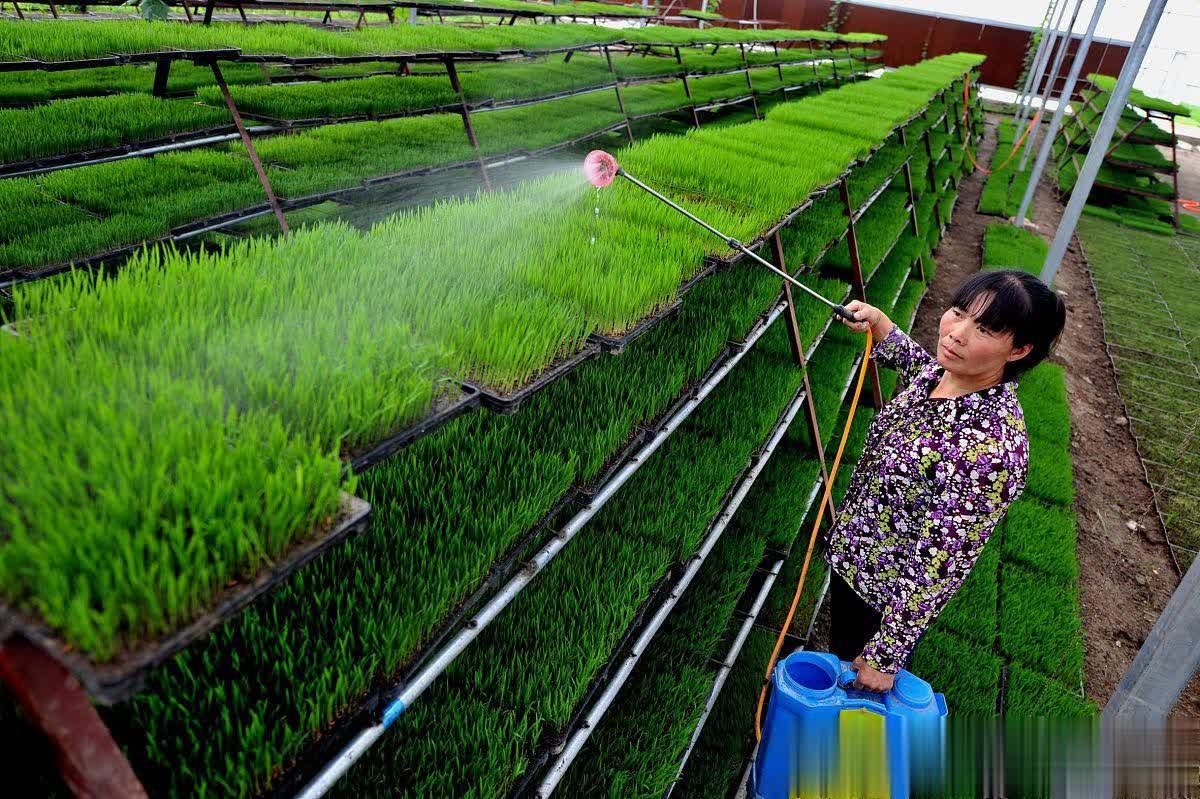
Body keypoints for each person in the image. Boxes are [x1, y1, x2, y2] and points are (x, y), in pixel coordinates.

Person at [827, 269, 1067, 692]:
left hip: (882, 597)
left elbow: (940, 565)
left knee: (852, 699)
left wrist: (886, 654)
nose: (957, 333)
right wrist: (880, 324)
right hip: (856, 558)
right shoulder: (949, 374)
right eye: (958, 312)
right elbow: (919, 364)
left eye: (985, 329)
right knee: (837, 661)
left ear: (1019, 350)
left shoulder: (993, 452)